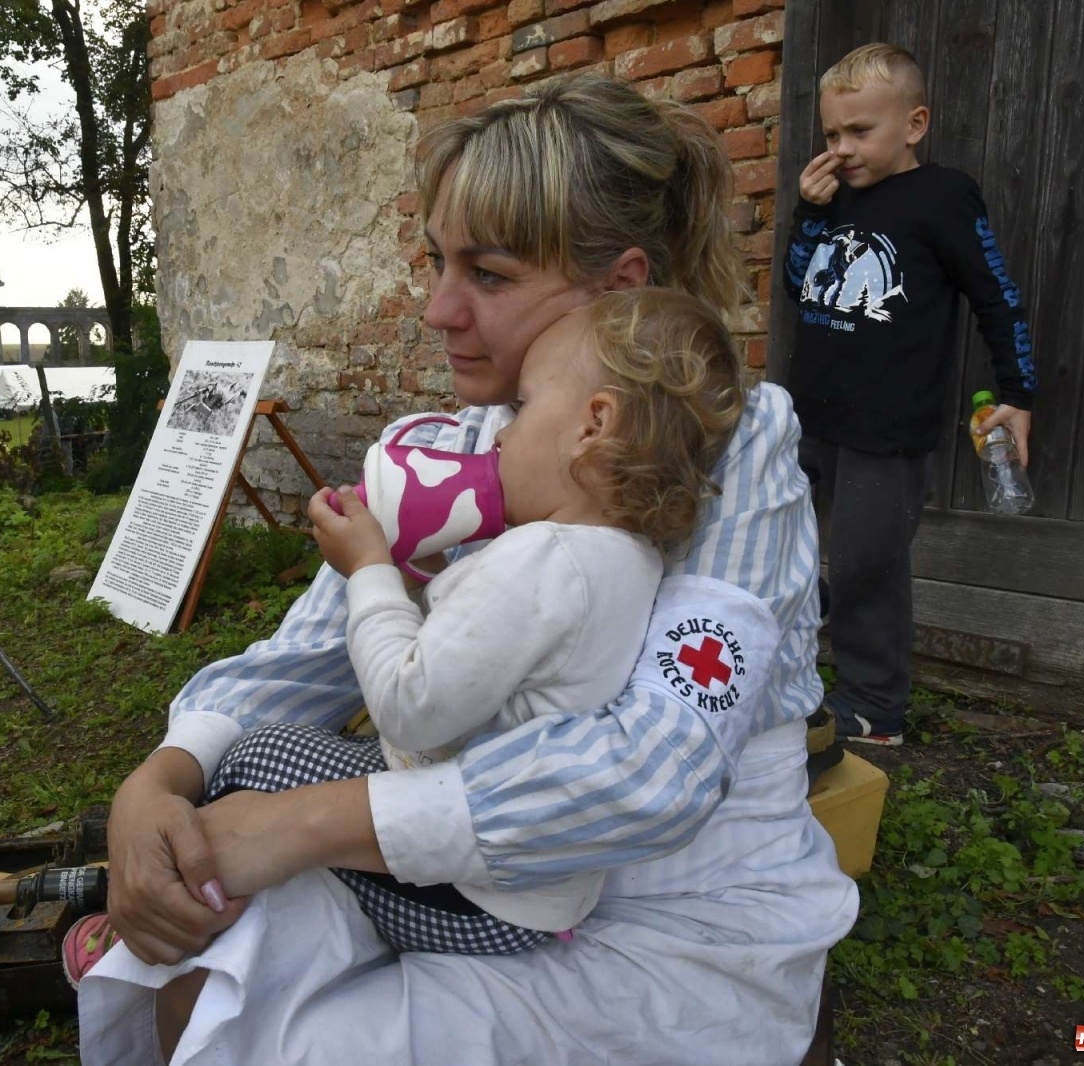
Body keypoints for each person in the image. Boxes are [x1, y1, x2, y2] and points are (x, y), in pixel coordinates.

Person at [83, 72, 858, 1066]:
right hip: (453, 883)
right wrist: (158, 781)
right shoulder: (455, 447)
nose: (438, 309)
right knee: (196, 982)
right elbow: (309, 654)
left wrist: (303, 823)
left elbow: (656, 769)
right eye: (437, 262)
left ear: (619, 287)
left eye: (487, 275)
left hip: (671, 926)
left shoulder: (734, 453)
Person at [172, 290, 746, 961]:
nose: (499, 435)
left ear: (593, 425)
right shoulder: (631, 559)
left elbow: (408, 705)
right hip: (538, 884)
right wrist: (424, 582)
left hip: (470, 894)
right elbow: (493, 664)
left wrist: (368, 570)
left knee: (256, 759)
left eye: (523, 408)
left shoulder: (542, 559)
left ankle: (184, 920)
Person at [782, 43, 1036, 747]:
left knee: (868, 564)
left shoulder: (943, 195)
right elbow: (801, 287)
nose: (842, 148)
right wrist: (808, 214)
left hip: (887, 425)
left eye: (860, 131)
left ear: (914, 124)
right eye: (832, 133)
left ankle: (874, 707)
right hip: (811, 415)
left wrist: (1018, 393)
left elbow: (997, 296)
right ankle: (791, 665)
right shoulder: (834, 198)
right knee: (781, 542)